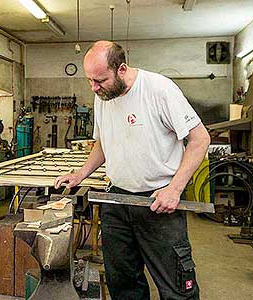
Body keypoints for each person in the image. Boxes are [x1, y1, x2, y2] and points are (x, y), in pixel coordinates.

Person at [55, 41, 210, 300]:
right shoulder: (103, 95)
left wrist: (174, 189)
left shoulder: (159, 90)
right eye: (90, 80)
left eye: (100, 80)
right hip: (116, 202)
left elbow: (200, 139)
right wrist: (80, 174)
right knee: (123, 284)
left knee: (176, 287)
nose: (93, 87)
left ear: (122, 69)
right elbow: (103, 142)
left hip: (158, 203)